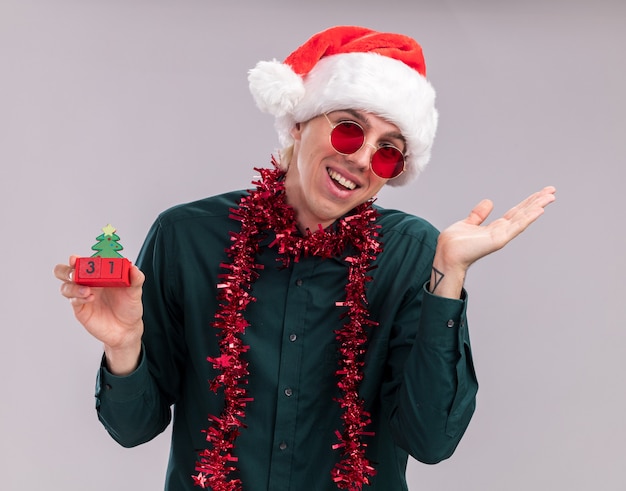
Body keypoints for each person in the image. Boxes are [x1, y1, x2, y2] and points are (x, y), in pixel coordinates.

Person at [54, 25, 556, 491]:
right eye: (348, 130)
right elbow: (132, 427)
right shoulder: (187, 237)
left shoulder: (414, 252)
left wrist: (448, 278)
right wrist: (123, 348)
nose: (361, 158)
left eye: (387, 151)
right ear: (299, 124)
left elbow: (431, 442)